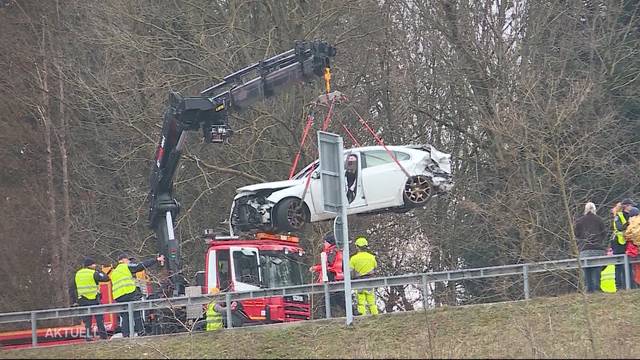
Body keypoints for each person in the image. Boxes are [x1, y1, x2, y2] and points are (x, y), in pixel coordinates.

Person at [110, 252, 164, 337]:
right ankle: (141, 332)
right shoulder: (125, 266)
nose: (129, 262)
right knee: (137, 314)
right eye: (128, 260)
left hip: (118, 297)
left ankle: (126, 335)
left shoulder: (114, 272)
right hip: (129, 294)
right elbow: (140, 266)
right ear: (124, 260)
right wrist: (156, 260)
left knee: (125, 317)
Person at [69, 257, 109, 340]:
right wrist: (100, 271)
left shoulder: (77, 274)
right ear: (91, 265)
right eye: (94, 264)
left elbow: (72, 288)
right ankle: (103, 336)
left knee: (87, 320)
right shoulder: (94, 273)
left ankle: (88, 336)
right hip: (94, 299)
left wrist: (74, 301)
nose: (95, 265)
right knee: (99, 319)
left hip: (82, 300)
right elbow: (106, 278)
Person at [574, 202, 607, 292]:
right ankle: (597, 287)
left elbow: (576, 234)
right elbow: (604, 233)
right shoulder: (599, 219)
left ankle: (588, 289)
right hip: (597, 248)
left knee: (586, 269)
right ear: (594, 209)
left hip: (585, 248)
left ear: (585, 209)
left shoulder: (580, 221)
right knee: (597, 268)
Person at [611, 199, 639, 289]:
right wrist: (629, 224)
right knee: (619, 265)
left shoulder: (632, 215)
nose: (632, 207)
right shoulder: (619, 216)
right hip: (619, 244)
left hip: (628, 243)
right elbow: (619, 228)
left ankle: (631, 285)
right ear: (626, 206)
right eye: (631, 205)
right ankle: (619, 286)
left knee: (630, 265)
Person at [349, 236, 378, 315]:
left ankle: (362, 316)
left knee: (361, 302)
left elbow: (350, 271)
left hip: (359, 281)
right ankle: (375, 315)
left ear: (357, 247)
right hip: (370, 281)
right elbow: (375, 267)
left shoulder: (353, 259)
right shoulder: (372, 257)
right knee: (372, 301)